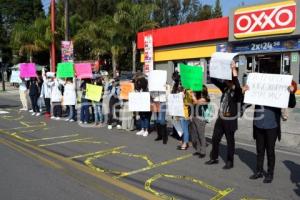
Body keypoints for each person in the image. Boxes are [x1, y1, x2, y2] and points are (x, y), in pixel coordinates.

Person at [244, 83, 297, 183]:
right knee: (259, 151)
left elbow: (291, 104)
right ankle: (259, 171)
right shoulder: (259, 89)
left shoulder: (277, 91)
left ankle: (269, 174)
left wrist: (291, 92)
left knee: (270, 152)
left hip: (272, 127)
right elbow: (247, 102)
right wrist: (246, 91)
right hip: (258, 125)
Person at [206, 62, 243, 169]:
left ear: (232, 81)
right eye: (226, 80)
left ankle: (230, 162)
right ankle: (214, 158)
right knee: (215, 138)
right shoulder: (225, 88)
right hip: (221, 118)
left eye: (228, 80)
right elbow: (214, 80)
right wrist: (213, 69)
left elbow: (238, 87)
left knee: (230, 141)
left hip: (230, 120)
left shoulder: (237, 93)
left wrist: (234, 72)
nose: (226, 82)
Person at [189, 85, 210, 158]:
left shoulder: (205, 99)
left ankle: (203, 151)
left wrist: (193, 96)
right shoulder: (197, 97)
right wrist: (191, 115)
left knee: (201, 135)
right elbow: (193, 106)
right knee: (196, 135)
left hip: (201, 118)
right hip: (195, 117)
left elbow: (196, 102)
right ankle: (198, 150)